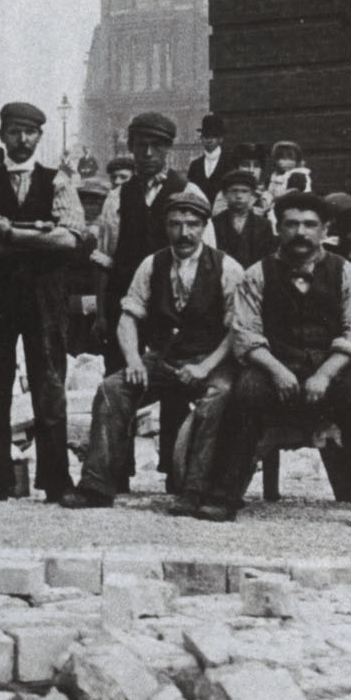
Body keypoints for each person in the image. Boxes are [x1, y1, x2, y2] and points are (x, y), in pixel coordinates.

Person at [193, 191, 351, 528]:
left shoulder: (347, 274)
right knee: (246, 394)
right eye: (291, 224)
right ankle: (224, 495)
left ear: (325, 230)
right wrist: (278, 371)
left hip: (331, 367)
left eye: (310, 225)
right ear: (278, 229)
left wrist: (324, 375)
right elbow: (245, 335)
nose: (301, 232)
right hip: (273, 366)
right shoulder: (256, 275)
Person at [64, 185, 241, 508]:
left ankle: (195, 490)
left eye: (192, 225)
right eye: (175, 224)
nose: (183, 233)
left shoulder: (227, 267)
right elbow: (128, 317)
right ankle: (97, 485)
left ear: (204, 227)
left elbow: (237, 330)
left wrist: (205, 367)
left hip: (210, 361)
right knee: (111, 389)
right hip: (163, 359)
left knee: (219, 397)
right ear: (166, 226)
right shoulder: (152, 264)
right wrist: (133, 360)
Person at [0, 101, 84, 502]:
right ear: (3, 135)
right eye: (14, 132)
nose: (22, 140)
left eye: (30, 133)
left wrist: (10, 236)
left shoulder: (58, 181)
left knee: (50, 384)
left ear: (39, 137)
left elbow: (72, 237)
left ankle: (57, 480)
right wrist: (41, 238)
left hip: (45, 297)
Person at [96, 112, 186, 368]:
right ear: (131, 147)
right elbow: (104, 259)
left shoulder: (187, 192)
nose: (148, 153)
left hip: (172, 302)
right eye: (141, 145)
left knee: (172, 378)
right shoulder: (116, 197)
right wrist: (101, 314)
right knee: (120, 375)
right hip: (124, 302)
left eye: (156, 145)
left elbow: (205, 259)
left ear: (167, 148)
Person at [186, 114, 238, 209]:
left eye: (213, 136)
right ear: (201, 138)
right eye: (206, 136)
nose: (209, 140)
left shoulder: (230, 163)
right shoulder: (195, 165)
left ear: (220, 139)